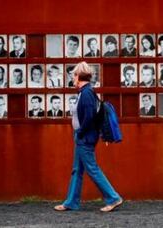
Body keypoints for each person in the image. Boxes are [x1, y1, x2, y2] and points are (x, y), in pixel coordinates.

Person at [54, 61, 123, 212]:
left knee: (92, 168)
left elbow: (89, 117)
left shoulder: (86, 93)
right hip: (83, 137)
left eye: (73, 75)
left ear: (78, 76)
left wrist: (80, 132)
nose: (72, 79)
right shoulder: (86, 92)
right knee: (77, 170)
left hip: (85, 138)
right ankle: (71, 202)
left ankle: (113, 198)